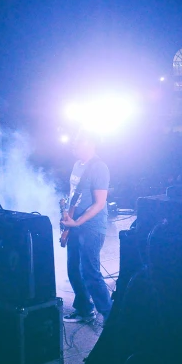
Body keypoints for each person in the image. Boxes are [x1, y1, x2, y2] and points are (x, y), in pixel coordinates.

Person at [60, 130, 111, 324]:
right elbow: (75, 194)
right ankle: (84, 308)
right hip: (75, 224)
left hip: (91, 227)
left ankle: (109, 315)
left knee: (90, 272)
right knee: (73, 268)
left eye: (77, 143)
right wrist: (67, 217)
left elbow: (99, 203)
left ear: (89, 144)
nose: (73, 146)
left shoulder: (99, 167)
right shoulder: (77, 165)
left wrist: (78, 222)